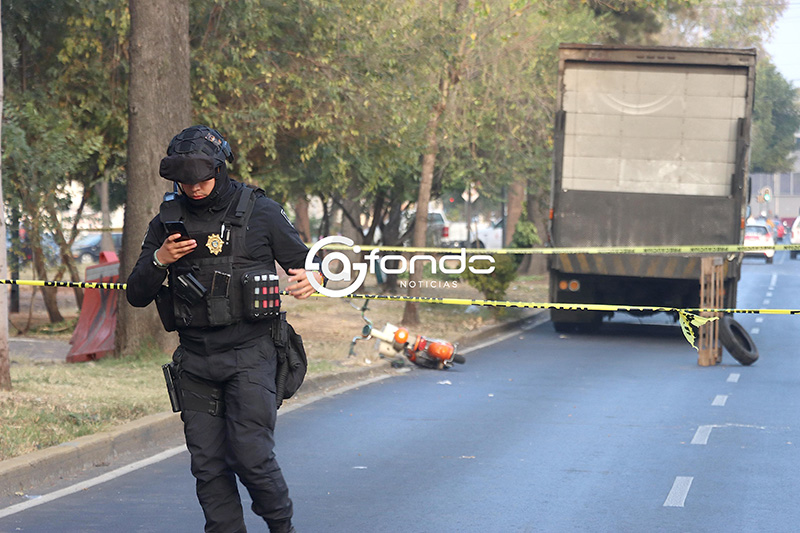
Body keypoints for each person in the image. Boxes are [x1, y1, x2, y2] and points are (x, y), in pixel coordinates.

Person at [126, 125, 321, 533]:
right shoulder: (166, 221)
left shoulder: (260, 211)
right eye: (185, 181)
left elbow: (307, 266)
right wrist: (160, 259)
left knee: (250, 455)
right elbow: (136, 294)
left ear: (220, 168)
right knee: (208, 464)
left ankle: (282, 528)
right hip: (196, 358)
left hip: (251, 354)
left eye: (203, 179)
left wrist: (309, 281)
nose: (195, 189)